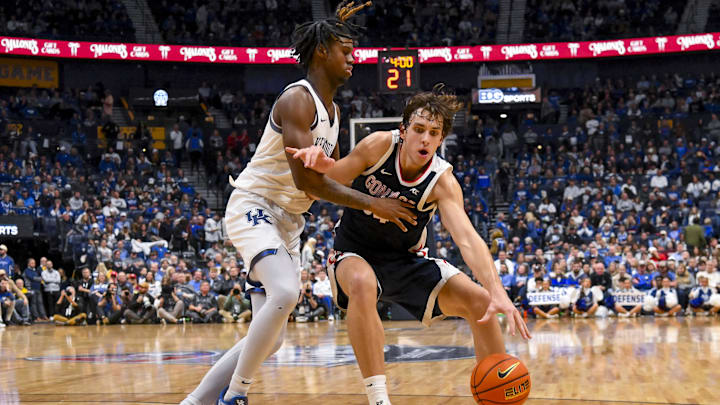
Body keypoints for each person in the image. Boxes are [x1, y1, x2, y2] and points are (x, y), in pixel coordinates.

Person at [181, 3, 416, 404]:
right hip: (256, 205)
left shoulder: (335, 114)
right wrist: (373, 205)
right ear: (322, 51)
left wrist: (388, 194)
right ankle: (235, 395)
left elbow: (337, 176)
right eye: (346, 51)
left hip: (288, 222)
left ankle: (194, 402)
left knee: (270, 339)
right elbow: (309, 179)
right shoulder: (297, 100)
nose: (353, 60)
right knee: (287, 293)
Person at [287, 85, 530, 405]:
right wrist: (321, 165)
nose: (425, 139)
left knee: (481, 301)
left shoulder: (442, 181)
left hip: (406, 260)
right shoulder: (377, 146)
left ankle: (499, 395)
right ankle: (379, 399)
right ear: (403, 131)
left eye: (434, 133)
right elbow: (336, 176)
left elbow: (467, 239)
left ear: (441, 140)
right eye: (418, 129)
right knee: (361, 282)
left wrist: (497, 290)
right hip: (355, 251)